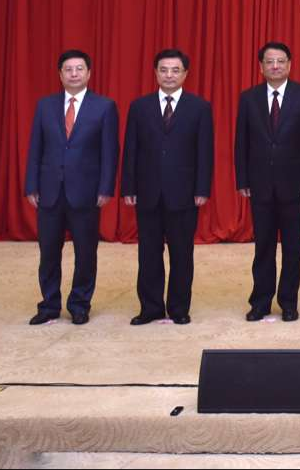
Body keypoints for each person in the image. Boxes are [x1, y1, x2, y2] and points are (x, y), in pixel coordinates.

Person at [24, 50, 119, 326]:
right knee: (48, 253)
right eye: (68, 69)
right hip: (49, 191)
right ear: (60, 74)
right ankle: (49, 305)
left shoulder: (104, 107)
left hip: (86, 192)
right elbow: (35, 148)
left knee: (85, 253)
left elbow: (110, 152)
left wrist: (105, 188)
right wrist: (31, 184)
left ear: (89, 73)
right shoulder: (45, 106)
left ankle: (79, 304)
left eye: (79, 69)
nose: (74, 74)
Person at [121, 49, 215, 325]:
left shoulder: (199, 107)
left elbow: (205, 152)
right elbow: (131, 149)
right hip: (147, 192)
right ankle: (150, 307)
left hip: (184, 193)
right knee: (148, 254)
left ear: (185, 74)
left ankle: (179, 308)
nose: (169, 75)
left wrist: (202, 189)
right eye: (163, 70)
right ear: (155, 73)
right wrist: (128, 187)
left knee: (181, 253)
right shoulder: (140, 107)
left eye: (175, 70)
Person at [234, 42, 300, 322]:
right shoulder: (249, 98)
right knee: (263, 245)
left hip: (295, 184)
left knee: (292, 247)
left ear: (289, 64)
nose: (275, 66)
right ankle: (260, 302)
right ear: (261, 66)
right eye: (269, 62)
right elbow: (241, 142)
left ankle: (289, 302)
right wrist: (242, 178)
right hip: (259, 183)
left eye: (280, 61)